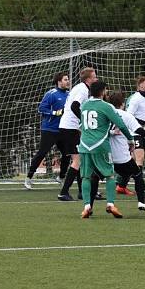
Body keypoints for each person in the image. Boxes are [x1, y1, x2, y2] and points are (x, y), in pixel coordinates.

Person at [76, 81, 134, 219]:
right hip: (100, 146)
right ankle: (110, 204)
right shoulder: (106, 106)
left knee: (86, 176)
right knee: (109, 175)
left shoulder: (84, 106)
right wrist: (130, 140)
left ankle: (86, 207)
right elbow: (121, 124)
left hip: (84, 145)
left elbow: (80, 126)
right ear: (102, 92)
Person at [58, 67, 99, 201]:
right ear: (88, 79)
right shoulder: (82, 89)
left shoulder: (82, 88)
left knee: (81, 159)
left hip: (70, 127)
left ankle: (82, 192)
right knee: (78, 160)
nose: (96, 79)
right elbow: (74, 106)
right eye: (94, 77)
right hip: (70, 128)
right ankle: (63, 192)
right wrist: (83, 122)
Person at [25, 72, 70, 189]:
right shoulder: (51, 94)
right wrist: (54, 113)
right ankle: (28, 178)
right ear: (59, 82)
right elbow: (41, 108)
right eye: (65, 79)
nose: (68, 81)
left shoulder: (69, 95)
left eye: (68, 79)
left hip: (63, 129)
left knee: (67, 153)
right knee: (42, 153)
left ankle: (61, 177)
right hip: (49, 129)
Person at [116, 76, 145, 196]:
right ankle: (138, 187)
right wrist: (144, 122)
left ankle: (121, 185)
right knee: (139, 158)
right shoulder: (136, 98)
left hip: (140, 131)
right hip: (133, 132)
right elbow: (129, 115)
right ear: (140, 86)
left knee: (133, 159)